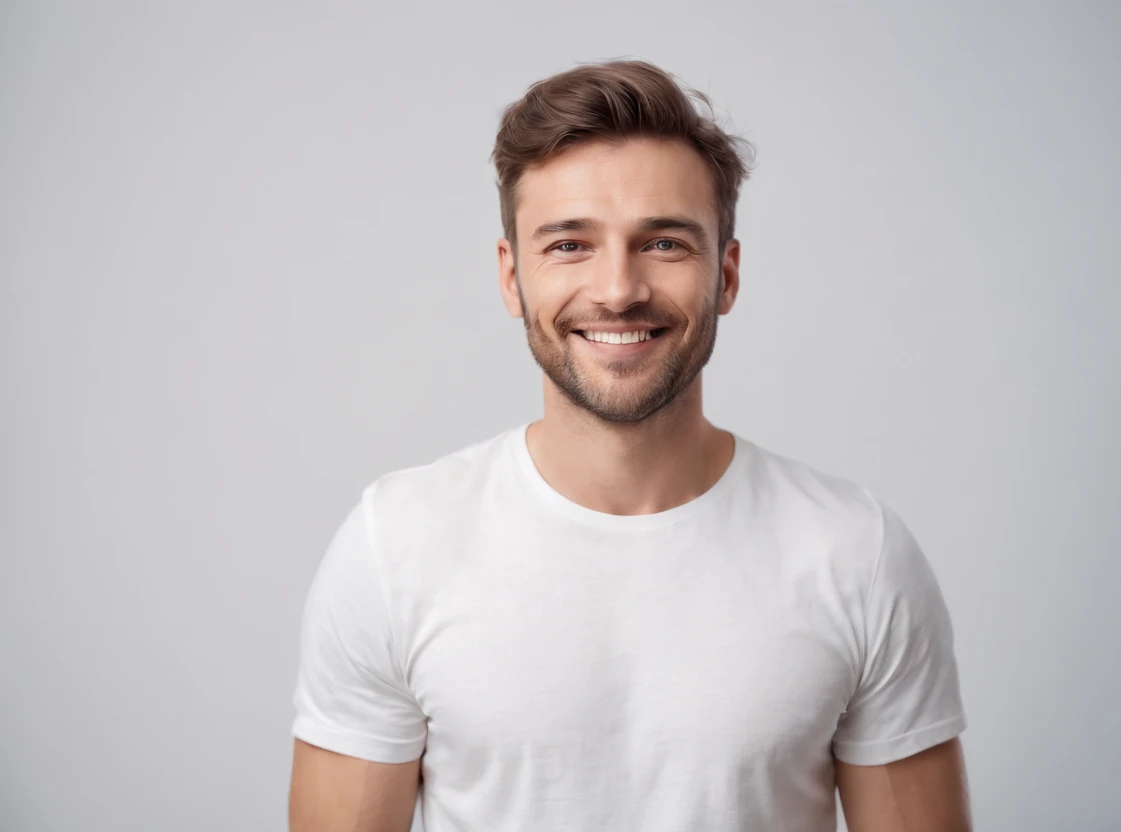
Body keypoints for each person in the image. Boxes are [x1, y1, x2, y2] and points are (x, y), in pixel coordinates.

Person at [287, 58, 971, 832]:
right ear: (512, 278)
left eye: (666, 244)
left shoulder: (857, 554)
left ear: (728, 275)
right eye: (569, 245)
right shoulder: (395, 545)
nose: (618, 289)